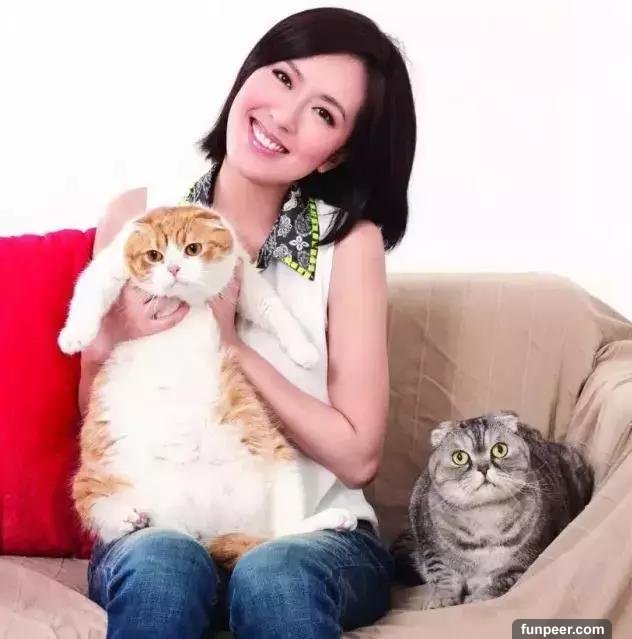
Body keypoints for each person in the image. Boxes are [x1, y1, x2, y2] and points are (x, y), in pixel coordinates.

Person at [83, 7, 416, 638]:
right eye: (283, 78)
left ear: (337, 154)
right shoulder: (139, 218)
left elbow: (357, 456)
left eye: (323, 113)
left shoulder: (349, 246)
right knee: (159, 568)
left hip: (311, 533)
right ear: (248, 75)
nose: (284, 116)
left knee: (273, 575)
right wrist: (113, 337)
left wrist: (231, 344)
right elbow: (96, 420)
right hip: (164, 519)